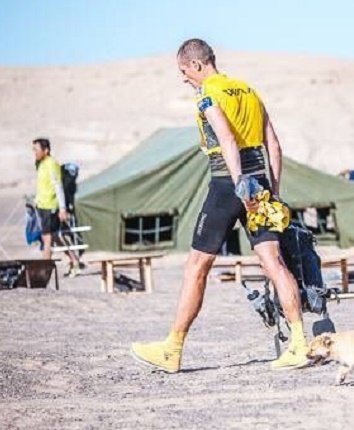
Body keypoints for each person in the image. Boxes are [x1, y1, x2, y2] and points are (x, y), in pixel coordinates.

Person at [131, 39, 310, 372]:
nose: (185, 79)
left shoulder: (208, 94)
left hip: (229, 184)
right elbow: (273, 143)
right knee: (273, 261)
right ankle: (299, 344)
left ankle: (172, 348)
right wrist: (273, 190)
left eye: (184, 72)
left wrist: (240, 185)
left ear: (197, 65)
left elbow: (227, 139)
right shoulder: (248, 90)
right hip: (262, 184)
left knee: (196, 265)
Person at [32, 138, 82, 277]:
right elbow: (42, 185)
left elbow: (58, 186)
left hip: (51, 207)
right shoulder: (40, 164)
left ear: (46, 150)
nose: (34, 152)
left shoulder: (52, 164)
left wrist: (62, 208)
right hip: (42, 206)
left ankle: (45, 270)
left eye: (36, 149)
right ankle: (75, 261)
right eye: (33, 149)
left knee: (46, 238)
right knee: (54, 237)